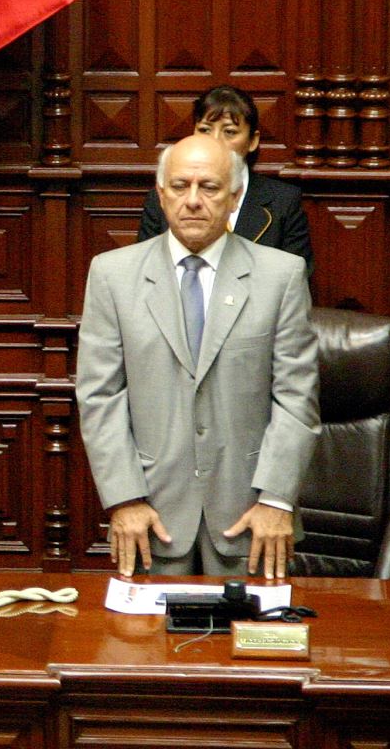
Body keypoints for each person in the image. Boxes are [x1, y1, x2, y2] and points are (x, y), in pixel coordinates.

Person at [77, 134, 320, 580]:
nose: (192, 201)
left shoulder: (280, 275)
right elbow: (100, 398)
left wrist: (276, 499)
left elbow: (297, 399)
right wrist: (124, 498)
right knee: (147, 648)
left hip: (252, 520)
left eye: (208, 187)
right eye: (180, 186)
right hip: (149, 517)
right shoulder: (112, 275)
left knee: (252, 645)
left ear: (233, 198)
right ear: (161, 195)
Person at [137, 85, 313, 275]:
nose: (215, 140)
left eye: (229, 132)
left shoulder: (283, 201)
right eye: (205, 130)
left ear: (253, 140)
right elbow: (146, 272)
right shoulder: (163, 197)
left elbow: (294, 280)